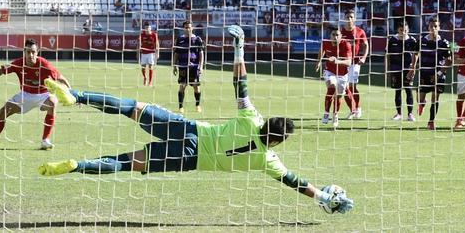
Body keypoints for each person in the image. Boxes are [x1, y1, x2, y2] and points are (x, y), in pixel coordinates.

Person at [38, 26, 354, 214]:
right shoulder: (267, 160)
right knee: (125, 163)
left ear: (267, 122)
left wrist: (240, 49)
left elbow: (240, 86)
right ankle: (78, 166)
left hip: (188, 129)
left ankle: (76, 96)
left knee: (131, 106)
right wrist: (324, 196)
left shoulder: (250, 118)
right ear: (278, 140)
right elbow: (294, 182)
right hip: (189, 159)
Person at [0, 38, 72, 150]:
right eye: (28, 52)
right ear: (24, 51)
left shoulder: (44, 64)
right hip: (25, 95)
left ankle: (45, 140)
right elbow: (0, 72)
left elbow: (61, 78)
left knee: (53, 102)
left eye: (33, 52)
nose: (31, 55)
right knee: (3, 111)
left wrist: (71, 94)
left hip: (43, 95)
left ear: (37, 52)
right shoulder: (18, 63)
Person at [417, 17, 451, 130]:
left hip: (438, 75)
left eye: (436, 26)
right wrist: (412, 67)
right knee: (420, 99)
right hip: (424, 73)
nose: (433, 28)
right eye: (431, 26)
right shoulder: (422, 40)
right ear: (428, 27)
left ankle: (431, 122)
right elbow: (415, 53)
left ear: (439, 28)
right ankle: (422, 103)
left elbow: (448, 60)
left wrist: (440, 73)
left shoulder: (444, 43)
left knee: (435, 98)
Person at [316, 28, 352, 128]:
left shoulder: (346, 45)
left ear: (341, 36)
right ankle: (326, 113)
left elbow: (349, 62)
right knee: (331, 86)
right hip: (329, 71)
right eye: (333, 35)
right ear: (330, 35)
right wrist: (319, 61)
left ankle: (335, 114)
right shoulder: (326, 42)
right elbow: (321, 50)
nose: (335, 37)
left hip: (343, 74)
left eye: (337, 35)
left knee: (339, 96)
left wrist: (337, 61)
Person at [386, 21, 418, 122]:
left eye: (405, 30)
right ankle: (399, 113)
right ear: (397, 30)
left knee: (409, 90)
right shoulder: (392, 40)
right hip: (395, 68)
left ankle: (410, 114)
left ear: (408, 30)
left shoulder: (412, 40)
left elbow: (416, 55)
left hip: (408, 69)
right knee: (397, 91)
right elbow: (387, 55)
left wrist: (413, 68)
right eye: (401, 30)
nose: (403, 32)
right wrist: (387, 69)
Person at [341, 9, 369, 119]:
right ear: (344, 18)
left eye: (351, 17)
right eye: (347, 17)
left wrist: (364, 57)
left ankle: (358, 108)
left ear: (355, 19)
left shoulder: (360, 31)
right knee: (344, 88)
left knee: (352, 87)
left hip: (355, 63)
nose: (349, 19)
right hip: (343, 63)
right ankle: (352, 110)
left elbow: (366, 45)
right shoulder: (340, 32)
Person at [173, 20, 204, 113]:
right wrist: (174, 66)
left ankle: (198, 105)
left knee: (196, 86)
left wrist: (201, 66)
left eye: (189, 27)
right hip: (182, 66)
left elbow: (201, 53)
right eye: (186, 27)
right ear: (184, 28)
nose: (188, 29)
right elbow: (176, 54)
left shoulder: (197, 39)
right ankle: (180, 107)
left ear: (192, 28)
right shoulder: (179, 39)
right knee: (182, 86)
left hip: (194, 66)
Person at [139, 22, 160, 86]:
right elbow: (139, 43)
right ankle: (145, 78)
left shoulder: (154, 34)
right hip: (143, 53)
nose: (147, 28)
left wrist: (158, 53)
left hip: (151, 53)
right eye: (146, 27)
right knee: (143, 67)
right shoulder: (142, 35)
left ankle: (150, 82)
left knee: (151, 67)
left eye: (148, 27)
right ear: (144, 28)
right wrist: (138, 52)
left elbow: (157, 44)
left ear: (150, 28)